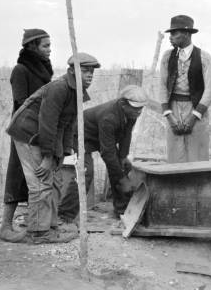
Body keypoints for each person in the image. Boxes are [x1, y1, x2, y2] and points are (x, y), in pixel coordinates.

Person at [6, 52, 100, 244]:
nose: (90, 75)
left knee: (55, 181)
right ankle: (38, 233)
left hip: (44, 135)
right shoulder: (59, 88)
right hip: (28, 133)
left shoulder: (76, 93)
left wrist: (65, 153)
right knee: (40, 183)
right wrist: (49, 157)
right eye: (85, 71)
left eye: (91, 71)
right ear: (72, 72)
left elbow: (67, 124)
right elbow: (47, 123)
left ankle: (50, 226)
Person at [58, 85, 148, 221]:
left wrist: (123, 156)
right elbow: (108, 153)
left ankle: (122, 210)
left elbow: (126, 134)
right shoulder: (109, 117)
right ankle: (65, 215)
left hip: (100, 136)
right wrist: (121, 179)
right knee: (85, 171)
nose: (139, 112)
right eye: (136, 108)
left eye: (141, 108)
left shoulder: (131, 113)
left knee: (122, 166)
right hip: (80, 135)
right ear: (123, 103)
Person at [0, 29, 53, 243]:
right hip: (22, 128)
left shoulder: (43, 69)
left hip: (39, 129)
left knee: (36, 177)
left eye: (50, 45)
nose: (50, 50)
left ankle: (34, 223)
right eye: (45, 46)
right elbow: (23, 102)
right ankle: (5, 226)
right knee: (16, 174)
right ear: (33, 47)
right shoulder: (20, 70)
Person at [159, 15, 211, 163]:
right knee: (175, 156)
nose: (170, 37)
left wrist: (194, 116)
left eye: (174, 33)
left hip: (197, 109)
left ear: (186, 33)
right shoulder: (167, 57)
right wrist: (169, 115)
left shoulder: (204, 57)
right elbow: (162, 86)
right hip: (173, 109)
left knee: (197, 156)